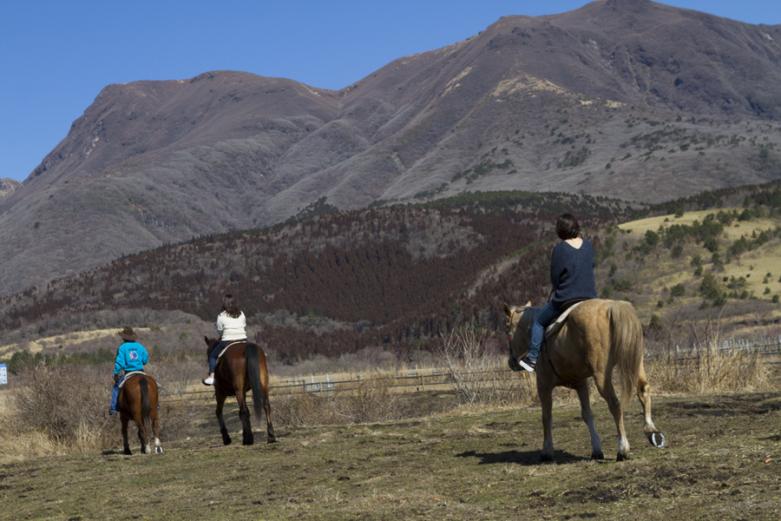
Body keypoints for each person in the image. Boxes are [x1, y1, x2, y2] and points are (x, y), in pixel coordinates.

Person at [518, 213, 597, 372]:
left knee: (539, 322)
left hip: (567, 298)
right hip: (590, 297)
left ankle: (532, 357)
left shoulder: (559, 249)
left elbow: (555, 278)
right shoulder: (588, 245)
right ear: (576, 227)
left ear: (560, 230)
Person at [202, 294, 247, 386]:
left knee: (213, 356)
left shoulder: (221, 316)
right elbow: (244, 325)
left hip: (227, 340)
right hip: (242, 339)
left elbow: (220, 331)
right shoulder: (241, 313)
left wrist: (224, 335)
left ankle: (211, 377)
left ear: (224, 303)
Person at [109, 326, 150, 415]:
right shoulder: (140, 346)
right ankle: (156, 404)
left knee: (116, 387)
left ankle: (113, 408)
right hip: (140, 371)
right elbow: (145, 360)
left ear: (124, 337)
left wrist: (116, 373)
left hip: (129, 372)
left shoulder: (122, 347)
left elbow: (120, 363)